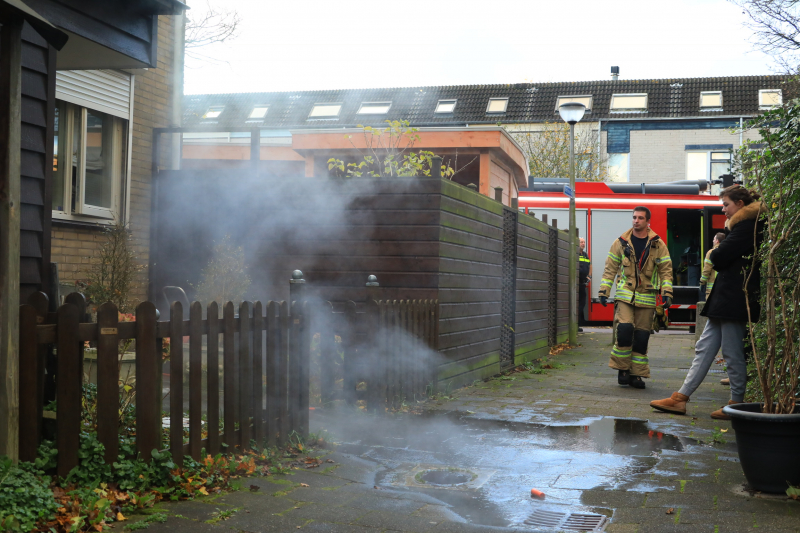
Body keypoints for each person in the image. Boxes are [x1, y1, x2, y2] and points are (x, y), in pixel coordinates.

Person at [650, 185, 765, 419]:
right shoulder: (744, 226)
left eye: (726, 204)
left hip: (734, 299)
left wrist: (717, 252)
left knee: (732, 353)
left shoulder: (747, 227)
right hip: (726, 299)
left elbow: (718, 257)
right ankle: (680, 398)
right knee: (704, 348)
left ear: (740, 205)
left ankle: (736, 404)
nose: (723, 209)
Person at [598, 206, 673, 389]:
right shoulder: (621, 242)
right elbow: (610, 269)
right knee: (624, 331)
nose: (636, 220)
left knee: (641, 336)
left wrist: (667, 292)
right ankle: (622, 369)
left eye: (640, 218)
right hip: (625, 295)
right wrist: (604, 291)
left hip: (647, 297)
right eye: (634, 217)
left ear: (648, 222)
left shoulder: (658, 244)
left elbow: (666, 270)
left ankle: (636, 375)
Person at [700, 232, 726, 299]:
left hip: (712, 289)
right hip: (725, 288)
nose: (713, 241)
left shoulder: (711, 252)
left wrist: (702, 282)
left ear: (717, 241)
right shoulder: (727, 252)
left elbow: (706, 270)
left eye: (714, 239)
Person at [578, 237, 591, 332]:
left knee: (582, 304)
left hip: (582, 284)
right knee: (576, 305)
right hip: (575, 284)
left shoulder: (585, 255)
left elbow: (590, 266)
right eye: (581, 242)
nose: (583, 243)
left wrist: (589, 277)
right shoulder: (575, 254)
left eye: (584, 242)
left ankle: (577, 324)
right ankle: (575, 325)